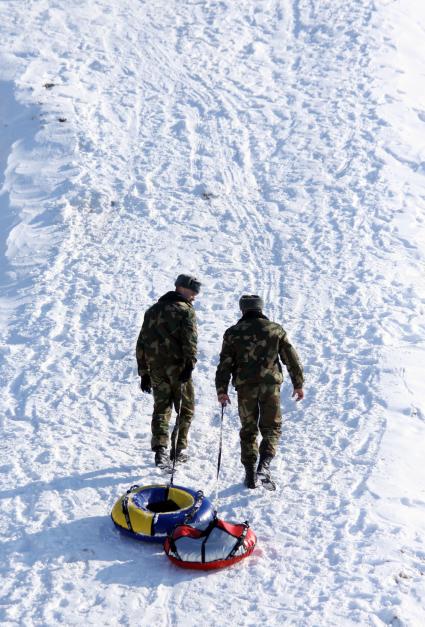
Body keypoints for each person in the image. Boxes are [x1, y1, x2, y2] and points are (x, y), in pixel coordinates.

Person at [215, 294, 304, 488]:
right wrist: (298, 383)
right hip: (270, 386)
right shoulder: (275, 330)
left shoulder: (232, 333)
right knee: (271, 427)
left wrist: (222, 389)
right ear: (261, 309)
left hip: (245, 387)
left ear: (242, 309)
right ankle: (264, 465)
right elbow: (291, 358)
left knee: (248, 430)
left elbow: (225, 364)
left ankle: (249, 473)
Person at [136, 274, 201, 468]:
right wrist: (190, 364)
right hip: (178, 368)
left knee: (161, 407)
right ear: (181, 288)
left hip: (156, 368)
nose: (195, 296)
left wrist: (144, 372)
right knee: (186, 408)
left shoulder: (152, 311)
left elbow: (141, 342)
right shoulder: (185, 310)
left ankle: (160, 450)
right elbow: (190, 339)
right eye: (193, 291)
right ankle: (177, 449)